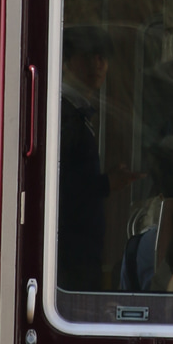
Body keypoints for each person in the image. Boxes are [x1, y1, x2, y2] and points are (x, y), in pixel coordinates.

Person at [57, 24, 138, 291]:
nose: (97, 63)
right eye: (88, 55)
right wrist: (106, 184)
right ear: (66, 61)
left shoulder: (78, 112)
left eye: (103, 56)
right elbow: (59, 186)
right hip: (65, 256)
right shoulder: (63, 115)